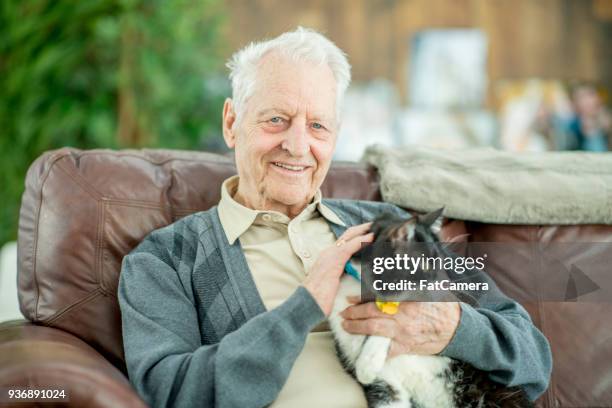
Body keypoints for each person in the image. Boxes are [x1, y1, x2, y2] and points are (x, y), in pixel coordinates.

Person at [118, 27, 552, 408]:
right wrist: (304, 305)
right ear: (232, 122)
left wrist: (451, 327)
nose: (297, 145)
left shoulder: (391, 226)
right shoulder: (169, 259)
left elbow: (533, 357)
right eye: (276, 119)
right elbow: (172, 392)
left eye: (318, 127)